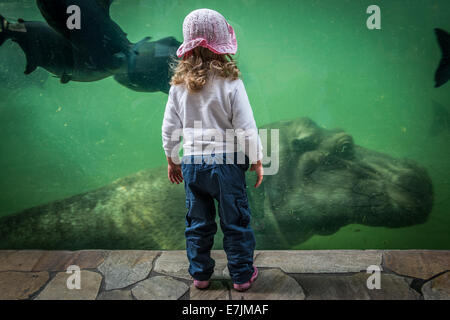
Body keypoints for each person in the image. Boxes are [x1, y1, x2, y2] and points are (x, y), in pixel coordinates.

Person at [161, 8, 263, 292]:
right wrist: (256, 159)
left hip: (193, 165)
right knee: (235, 222)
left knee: (198, 224)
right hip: (227, 166)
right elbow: (246, 127)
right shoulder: (231, 83)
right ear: (222, 47)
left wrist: (172, 159)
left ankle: (201, 276)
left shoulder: (178, 86)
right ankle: (242, 276)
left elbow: (169, 129)